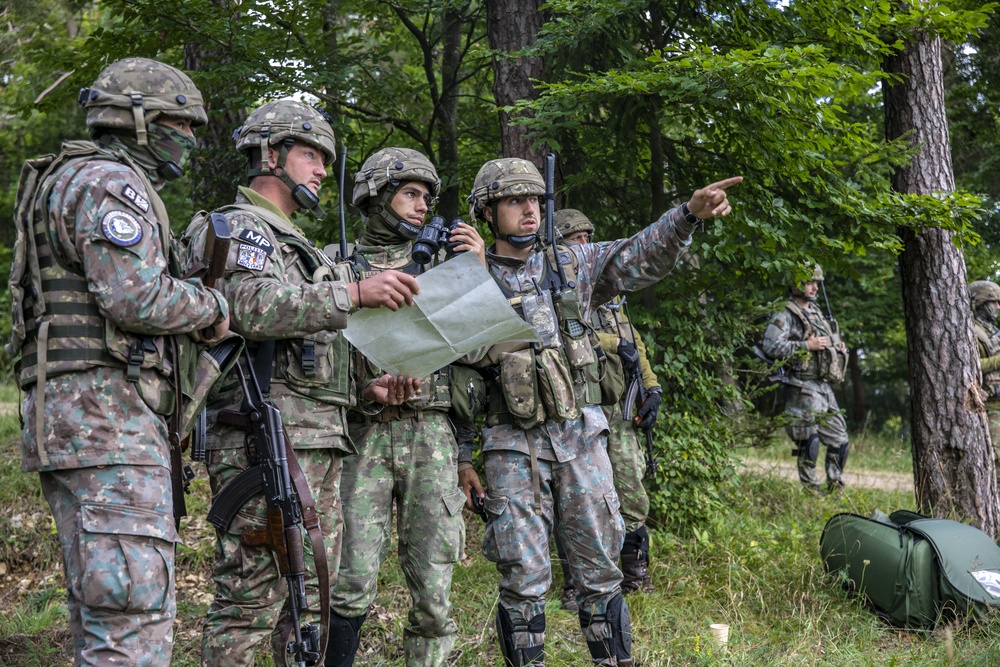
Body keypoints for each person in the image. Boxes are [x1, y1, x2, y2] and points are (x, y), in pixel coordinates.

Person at [458, 157, 740, 667]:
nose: (529, 210)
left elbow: (638, 254)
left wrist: (687, 215)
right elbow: (457, 373)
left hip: (580, 440)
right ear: (486, 211)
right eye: (514, 200)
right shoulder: (464, 277)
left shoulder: (573, 264)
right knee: (522, 580)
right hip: (510, 447)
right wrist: (461, 457)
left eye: (536, 200)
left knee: (600, 574)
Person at [6, 57, 230, 666]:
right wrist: (211, 304)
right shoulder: (109, 184)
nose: (188, 137)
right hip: (109, 424)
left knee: (102, 616)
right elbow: (134, 297)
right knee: (132, 619)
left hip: (74, 422)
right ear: (136, 119)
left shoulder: (66, 179)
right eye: (179, 123)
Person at [182, 100, 421, 667]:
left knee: (311, 601)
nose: (320, 170)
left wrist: (365, 391)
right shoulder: (239, 227)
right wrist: (353, 294)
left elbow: (304, 355)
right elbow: (245, 306)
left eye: (325, 160)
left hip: (316, 441)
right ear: (271, 154)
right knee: (250, 601)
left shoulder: (298, 247)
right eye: (311, 154)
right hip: (260, 442)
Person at [325, 147, 486, 667]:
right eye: (409, 193)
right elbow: (309, 358)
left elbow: (481, 352)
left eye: (426, 197)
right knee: (346, 580)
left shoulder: (446, 266)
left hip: (431, 437)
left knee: (435, 584)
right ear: (375, 196)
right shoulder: (335, 266)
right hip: (360, 436)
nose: (420, 206)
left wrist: (479, 275)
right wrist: (361, 391)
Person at [554, 208, 661, 602]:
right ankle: (575, 583)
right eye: (574, 239)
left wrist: (652, 389)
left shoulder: (614, 297)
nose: (584, 245)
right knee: (580, 499)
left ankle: (633, 574)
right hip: (581, 406)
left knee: (632, 491)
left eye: (587, 238)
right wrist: (618, 346)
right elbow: (567, 338)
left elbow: (637, 346)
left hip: (619, 408)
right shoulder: (560, 294)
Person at [760, 263, 849, 494]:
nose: (815, 287)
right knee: (808, 440)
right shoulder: (785, 312)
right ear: (795, 284)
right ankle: (812, 491)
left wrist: (837, 347)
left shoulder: (816, 312)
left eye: (817, 283)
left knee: (840, 439)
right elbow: (770, 346)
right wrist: (805, 345)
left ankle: (834, 485)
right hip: (801, 385)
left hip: (823, 386)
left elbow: (826, 340)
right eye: (810, 282)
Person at [969, 280, 1000, 461]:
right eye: (993, 302)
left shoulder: (993, 331)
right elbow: (969, 367)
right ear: (980, 302)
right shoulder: (971, 331)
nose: (997, 306)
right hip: (989, 407)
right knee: (996, 461)